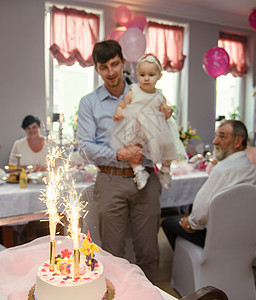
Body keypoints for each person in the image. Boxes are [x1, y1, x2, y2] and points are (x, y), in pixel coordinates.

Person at [77, 40, 172, 281]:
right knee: (112, 253)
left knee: (148, 251)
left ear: (123, 62)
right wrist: (121, 154)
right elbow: (85, 147)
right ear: (96, 69)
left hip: (147, 180)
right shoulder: (89, 103)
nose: (111, 72)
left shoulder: (147, 91)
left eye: (115, 64)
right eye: (104, 67)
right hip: (111, 180)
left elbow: (164, 130)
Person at [161, 120, 256, 249]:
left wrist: (191, 224)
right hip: (244, 236)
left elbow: (201, 208)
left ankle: (189, 262)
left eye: (222, 136)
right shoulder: (252, 169)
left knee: (168, 223)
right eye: (216, 136)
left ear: (237, 141)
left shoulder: (222, 170)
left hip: (217, 237)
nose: (215, 141)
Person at [111, 54, 186, 190]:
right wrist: (119, 113)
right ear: (137, 75)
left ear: (159, 76)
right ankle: (139, 171)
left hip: (156, 128)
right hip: (136, 127)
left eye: (151, 75)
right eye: (142, 74)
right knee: (132, 150)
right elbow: (123, 105)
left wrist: (167, 111)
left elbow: (166, 111)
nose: (146, 78)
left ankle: (165, 170)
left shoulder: (159, 95)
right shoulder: (134, 90)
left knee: (169, 145)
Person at [206, 145, 256, 222]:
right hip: (229, 203)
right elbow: (210, 171)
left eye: (223, 136)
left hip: (252, 202)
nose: (216, 141)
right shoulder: (225, 154)